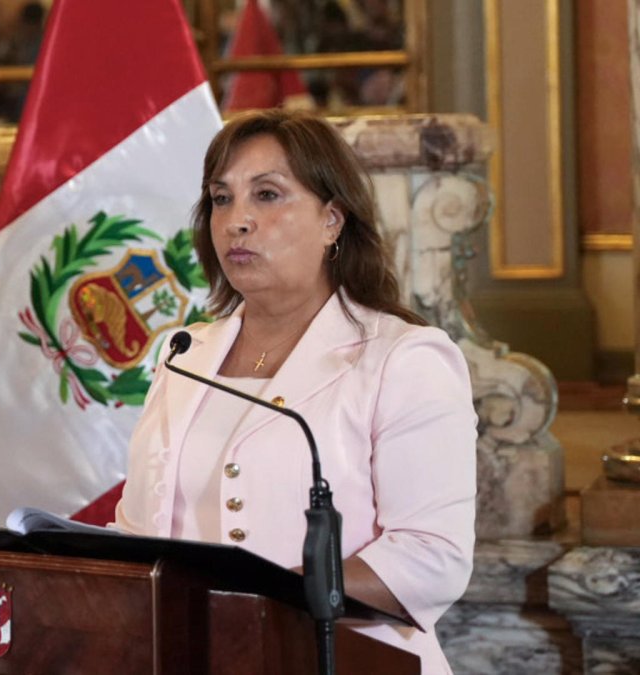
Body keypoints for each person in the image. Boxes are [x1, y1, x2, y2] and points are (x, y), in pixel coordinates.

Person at [112, 110, 476, 674]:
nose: (237, 220)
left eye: (267, 195)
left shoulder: (402, 358)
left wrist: (267, 599)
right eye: (221, 198)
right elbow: (140, 530)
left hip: (346, 659)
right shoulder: (184, 354)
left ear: (332, 218)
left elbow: (432, 557)